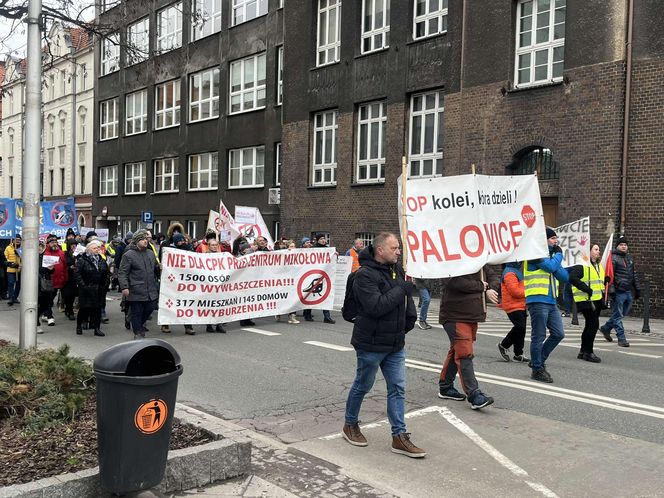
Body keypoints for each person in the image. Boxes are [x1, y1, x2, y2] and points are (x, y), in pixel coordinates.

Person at [341, 232, 425, 458]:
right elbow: (376, 306)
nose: (399, 252)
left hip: (395, 343)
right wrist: (402, 289)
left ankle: (399, 436)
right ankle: (350, 425)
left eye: (398, 248)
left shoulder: (396, 271)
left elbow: (403, 304)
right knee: (363, 385)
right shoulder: (364, 275)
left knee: (397, 388)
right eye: (394, 248)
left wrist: (408, 321)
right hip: (370, 344)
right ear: (380, 250)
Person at [438, 266, 498, 409]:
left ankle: (445, 387)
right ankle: (474, 394)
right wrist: (481, 287)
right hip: (455, 315)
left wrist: (488, 288)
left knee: (457, 350)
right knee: (464, 353)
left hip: (471, 315)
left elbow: (493, 276)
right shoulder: (453, 259)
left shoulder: (479, 260)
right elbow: (454, 282)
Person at [524, 227, 569, 383]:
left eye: (556, 238)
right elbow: (550, 268)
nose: (556, 241)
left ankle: (537, 360)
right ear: (544, 240)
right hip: (537, 300)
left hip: (551, 301)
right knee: (539, 336)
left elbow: (564, 276)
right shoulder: (534, 255)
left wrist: (555, 261)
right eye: (552, 238)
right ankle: (537, 369)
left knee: (558, 333)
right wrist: (558, 256)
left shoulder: (551, 257)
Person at [119, 229, 160, 339]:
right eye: (142, 239)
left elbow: (155, 268)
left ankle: (136, 323)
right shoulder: (128, 255)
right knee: (137, 312)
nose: (145, 241)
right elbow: (123, 272)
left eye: (146, 239)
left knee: (151, 307)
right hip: (136, 288)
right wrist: (124, 287)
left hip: (150, 288)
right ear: (136, 241)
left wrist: (160, 269)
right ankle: (137, 332)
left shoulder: (150, 254)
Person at [600, 236, 640, 347]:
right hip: (618, 291)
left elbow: (633, 274)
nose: (624, 246)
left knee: (622, 314)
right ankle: (621, 338)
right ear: (617, 246)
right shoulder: (613, 258)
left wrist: (637, 289)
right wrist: (612, 290)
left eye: (625, 245)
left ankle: (606, 328)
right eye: (621, 245)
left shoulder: (629, 258)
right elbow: (609, 275)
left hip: (628, 291)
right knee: (618, 315)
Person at [568, 244, 606, 362]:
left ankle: (583, 351)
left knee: (590, 325)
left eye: (598, 249)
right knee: (593, 325)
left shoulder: (597, 265)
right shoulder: (582, 264)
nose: (598, 251)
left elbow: (598, 281)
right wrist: (585, 288)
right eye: (595, 249)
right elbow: (573, 278)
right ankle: (588, 352)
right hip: (586, 299)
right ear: (588, 252)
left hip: (596, 299)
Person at [160, 232, 196, 335]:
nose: (181, 242)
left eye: (182, 240)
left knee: (186, 303)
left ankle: (188, 326)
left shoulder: (187, 249)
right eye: (179, 241)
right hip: (172, 280)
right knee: (169, 302)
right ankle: (165, 323)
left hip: (184, 281)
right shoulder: (169, 250)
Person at [75, 239, 109, 337]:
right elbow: (77, 274)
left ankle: (97, 328)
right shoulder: (82, 260)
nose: (97, 250)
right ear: (89, 249)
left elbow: (106, 273)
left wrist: (105, 285)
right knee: (84, 309)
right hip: (86, 289)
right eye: (94, 248)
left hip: (98, 289)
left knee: (97, 309)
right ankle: (79, 326)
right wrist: (84, 286)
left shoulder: (101, 260)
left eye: (98, 248)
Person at [497, 262, 530, 362]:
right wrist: (529, 292)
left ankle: (518, 353)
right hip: (513, 305)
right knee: (520, 327)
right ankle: (504, 345)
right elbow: (515, 292)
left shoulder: (514, 271)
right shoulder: (509, 273)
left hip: (519, 305)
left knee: (521, 329)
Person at [304, 234, 335, 324]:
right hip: (313, 275)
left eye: (323, 238)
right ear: (317, 240)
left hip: (324, 275)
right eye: (321, 239)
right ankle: (307, 314)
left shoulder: (328, 249)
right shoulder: (313, 249)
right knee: (310, 295)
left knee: (325, 295)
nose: (323, 240)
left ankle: (327, 316)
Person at [41, 233, 68, 326]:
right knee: (48, 299)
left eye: (55, 242)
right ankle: (50, 317)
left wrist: (65, 277)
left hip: (59, 281)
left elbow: (65, 266)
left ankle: (45, 313)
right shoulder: (45, 253)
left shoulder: (61, 252)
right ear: (48, 243)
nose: (54, 244)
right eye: (52, 242)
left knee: (51, 299)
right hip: (48, 281)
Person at [205, 238, 227, 334]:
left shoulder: (222, 256)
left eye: (215, 245)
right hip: (208, 284)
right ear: (208, 246)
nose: (214, 246)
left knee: (220, 304)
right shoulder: (203, 256)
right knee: (209, 305)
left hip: (220, 284)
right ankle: (209, 325)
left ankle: (219, 325)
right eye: (212, 245)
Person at [61, 240, 78, 321]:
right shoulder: (65, 254)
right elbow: (63, 266)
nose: (73, 246)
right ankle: (69, 311)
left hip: (76, 278)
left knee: (73, 295)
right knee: (68, 295)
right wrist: (69, 268)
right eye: (72, 245)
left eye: (75, 244)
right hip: (68, 278)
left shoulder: (79, 254)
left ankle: (70, 310)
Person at [5, 235, 22, 305]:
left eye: (19, 240)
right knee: (11, 283)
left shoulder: (22, 248)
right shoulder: (8, 248)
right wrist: (11, 263)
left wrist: (19, 254)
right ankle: (11, 298)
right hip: (11, 269)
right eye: (16, 239)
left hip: (19, 270)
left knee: (18, 285)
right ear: (13, 240)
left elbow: (26, 257)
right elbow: (6, 258)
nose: (18, 241)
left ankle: (15, 297)